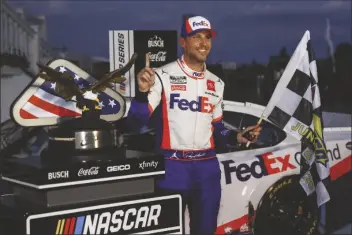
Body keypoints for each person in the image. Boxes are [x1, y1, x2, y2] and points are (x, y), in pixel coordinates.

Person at [127, 15, 262, 235]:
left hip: (207, 170)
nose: (203, 43)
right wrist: (142, 94)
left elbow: (217, 130)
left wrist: (238, 136)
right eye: (196, 37)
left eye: (207, 37)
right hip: (172, 167)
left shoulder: (217, 83)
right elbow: (135, 123)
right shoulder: (161, 76)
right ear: (183, 42)